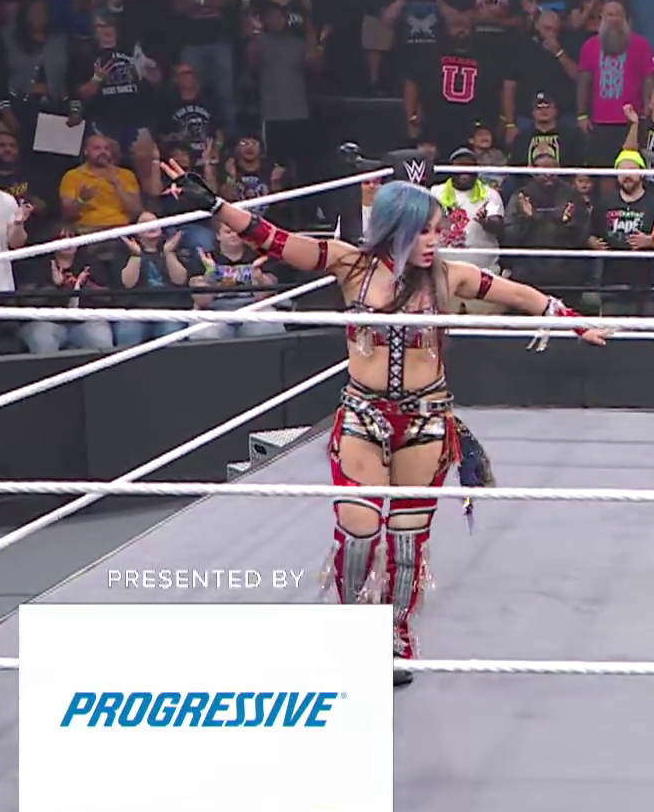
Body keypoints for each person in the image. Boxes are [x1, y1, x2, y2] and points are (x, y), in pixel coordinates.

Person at [158, 157, 609, 687]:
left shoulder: (448, 276)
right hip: (363, 417)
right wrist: (216, 205)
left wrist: (572, 321)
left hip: (425, 420)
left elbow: (517, 293)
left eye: (437, 230)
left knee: (406, 540)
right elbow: (276, 240)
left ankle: (394, 633)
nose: (435, 240)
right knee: (359, 529)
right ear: (396, 229)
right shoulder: (351, 265)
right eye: (425, 231)